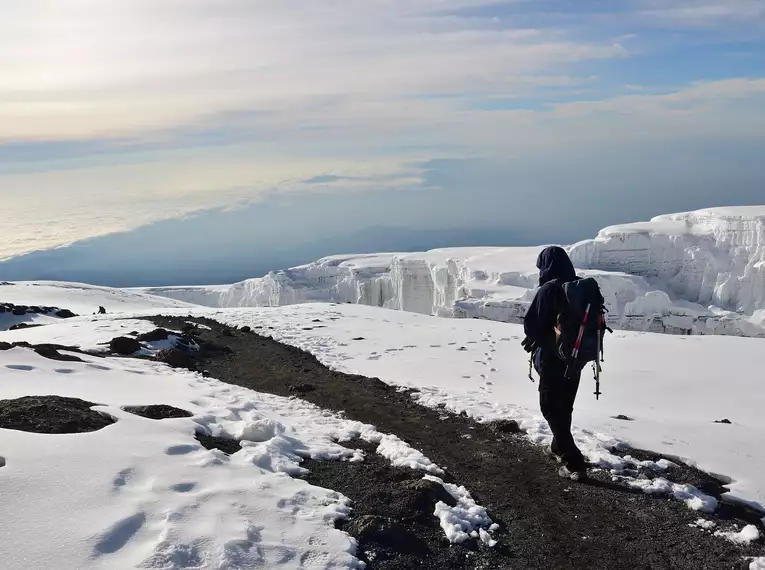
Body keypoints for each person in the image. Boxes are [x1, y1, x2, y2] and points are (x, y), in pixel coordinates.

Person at [523, 246, 588, 480]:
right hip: (577, 358)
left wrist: (543, 341)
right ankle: (557, 446)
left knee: (550, 407)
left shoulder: (549, 289)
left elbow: (531, 325)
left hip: (553, 360)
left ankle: (574, 461)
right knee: (564, 406)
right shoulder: (580, 287)